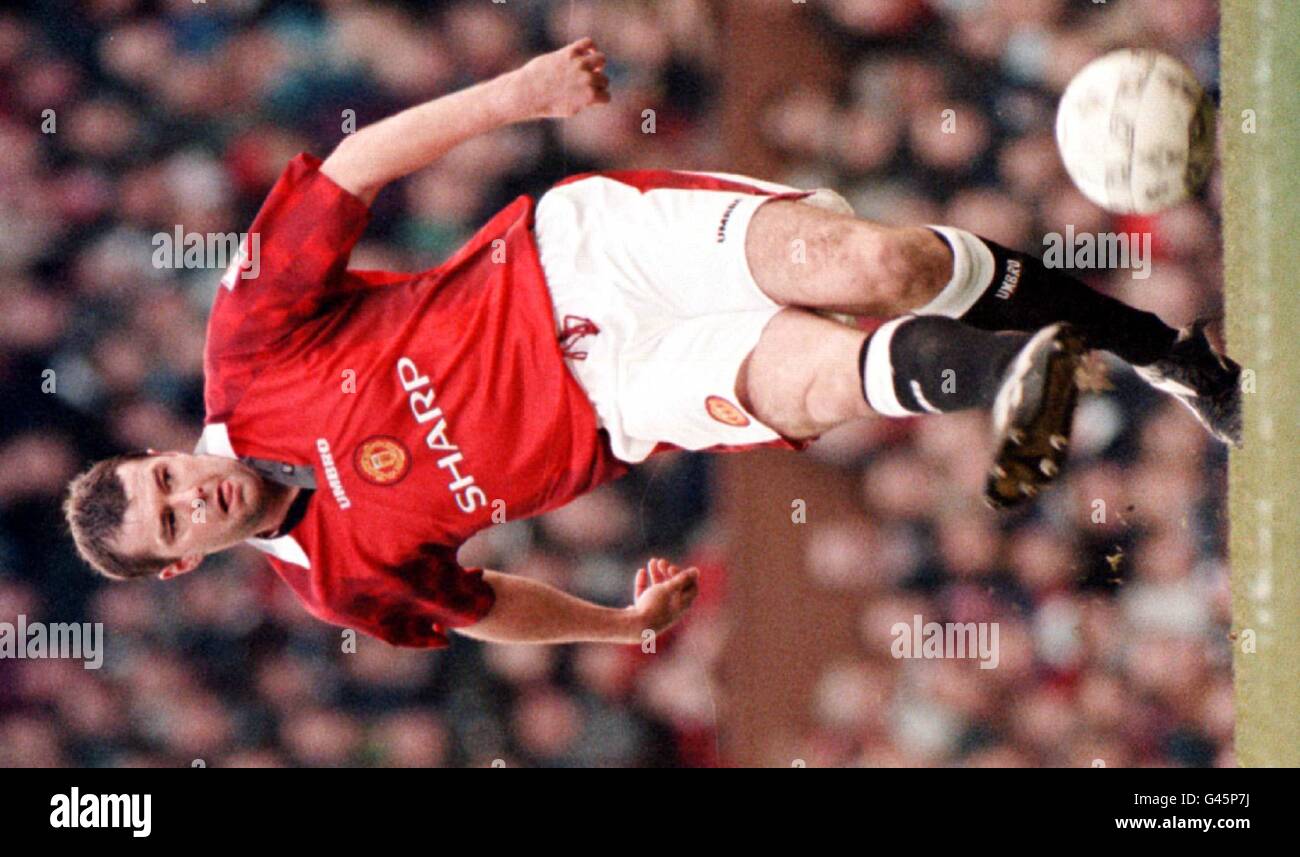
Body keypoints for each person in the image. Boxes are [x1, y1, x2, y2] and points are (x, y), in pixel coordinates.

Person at [63, 38, 1240, 648]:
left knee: (882, 270)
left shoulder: (245, 345)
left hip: (581, 257)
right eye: (175, 519)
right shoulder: (344, 588)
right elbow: (485, 606)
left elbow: (349, 170)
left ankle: (1158, 352)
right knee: (830, 377)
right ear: (182, 563)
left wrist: (508, 99)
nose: (191, 494)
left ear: (166, 449)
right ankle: (1008, 381)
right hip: (626, 400)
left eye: (165, 476)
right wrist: (618, 626)